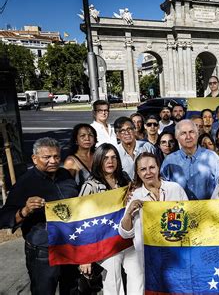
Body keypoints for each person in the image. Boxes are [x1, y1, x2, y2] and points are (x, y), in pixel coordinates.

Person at [0, 137, 78, 295]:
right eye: (46, 157)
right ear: (34, 159)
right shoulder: (25, 183)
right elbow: (3, 217)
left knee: (72, 289)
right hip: (43, 250)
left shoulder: (65, 175)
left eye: (56, 156)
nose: (53, 161)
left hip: (70, 244)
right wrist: (25, 210)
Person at [119, 153, 188, 292]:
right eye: (143, 169)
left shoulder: (175, 189)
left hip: (175, 255)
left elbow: (188, 219)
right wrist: (128, 213)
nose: (148, 172)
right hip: (147, 258)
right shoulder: (135, 196)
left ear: (158, 167)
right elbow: (124, 233)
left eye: (152, 167)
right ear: (137, 173)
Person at [79, 143, 136, 295]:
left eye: (113, 157)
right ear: (98, 160)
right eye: (105, 158)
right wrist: (85, 257)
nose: (110, 161)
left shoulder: (124, 178)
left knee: (137, 278)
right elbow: (81, 221)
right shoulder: (90, 186)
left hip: (127, 239)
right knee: (113, 283)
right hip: (104, 243)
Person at [161, 120, 219, 200]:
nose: (188, 137)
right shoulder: (169, 161)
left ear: (197, 134)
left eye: (191, 132)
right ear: (177, 137)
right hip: (179, 210)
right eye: (183, 133)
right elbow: (163, 190)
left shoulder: (212, 157)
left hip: (208, 210)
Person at [63, 123, 96, 188]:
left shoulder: (98, 156)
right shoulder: (71, 162)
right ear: (76, 140)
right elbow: (66, 187)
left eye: (90, 135)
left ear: (94, 139)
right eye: (82, 136)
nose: (87, 138)